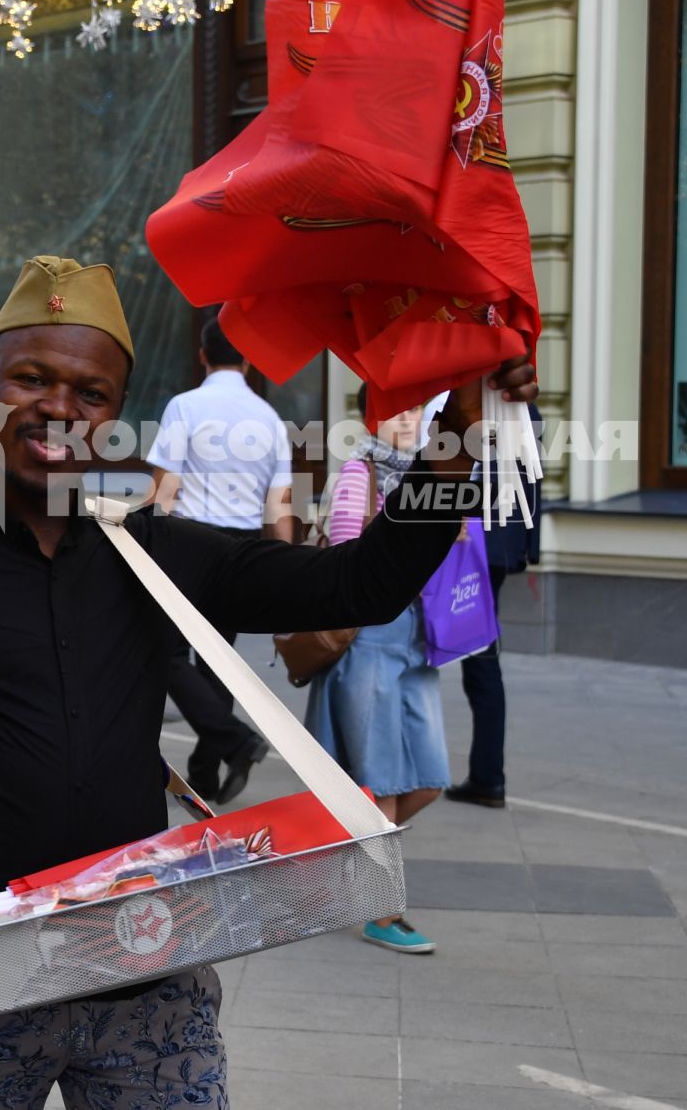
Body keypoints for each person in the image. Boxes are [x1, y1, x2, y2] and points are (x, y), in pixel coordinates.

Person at [0, 254, 536, 1109]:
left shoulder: (154, 552)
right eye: (30, 378)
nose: (59, 407)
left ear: (117, 414)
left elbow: (359, 585)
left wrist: (457, 439)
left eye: (91, 393)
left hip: (150, 976)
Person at [305, 396, 450, 955]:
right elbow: (347, 563)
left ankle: (339, 866)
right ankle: (382, 910)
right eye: (396, 411)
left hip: (417, 643)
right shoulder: (357, 475)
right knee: (380, 781)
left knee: (429, 777)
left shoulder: (431, 480)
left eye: (416, 412)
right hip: (368, 640)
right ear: (372, 419)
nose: (408, 420)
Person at [146, 312, 294, 804]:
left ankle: (235, 740)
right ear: (248, 360)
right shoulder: (270, 421)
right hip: (241, 549)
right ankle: (205, 775)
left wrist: (145, 544)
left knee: (161, 652)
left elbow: (164, 491)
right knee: (216, 661)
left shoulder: (185, 407)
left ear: (204, 355)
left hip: (186, 542)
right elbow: (279, 508)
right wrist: (285, 569)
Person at [446, 406, 542, 810]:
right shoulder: (525, 408)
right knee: (480, 661)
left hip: (475, 545)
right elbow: (535, 482)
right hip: (499, 546)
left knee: (481, 664)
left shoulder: (471, 407)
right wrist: (528, 548)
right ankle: (487, 776)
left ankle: (488, 778)